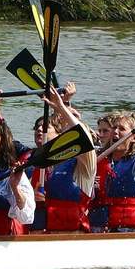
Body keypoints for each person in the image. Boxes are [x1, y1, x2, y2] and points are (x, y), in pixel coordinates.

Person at [42, 86, 97, 233]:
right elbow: (57, 128)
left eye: (71, 138)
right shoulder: (55, 163)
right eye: (66, 137)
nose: (68, 141)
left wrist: (61, 106)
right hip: (52, 234)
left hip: (76, 236)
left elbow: (81, 134)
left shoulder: (86, 167)